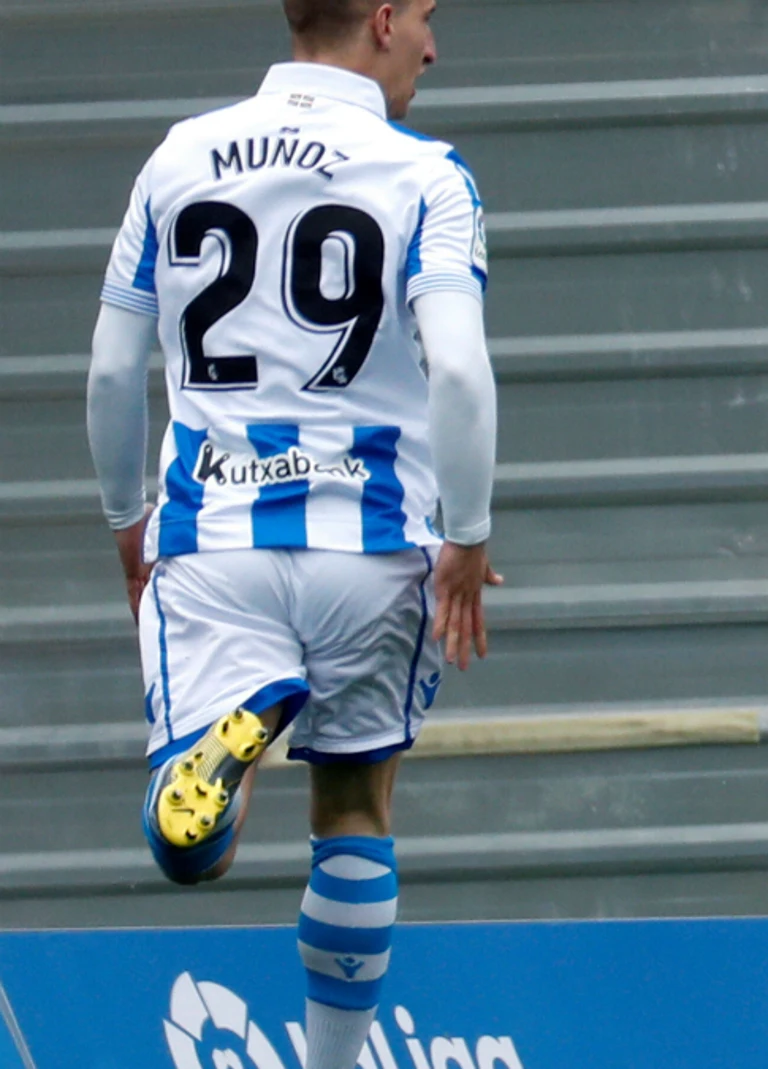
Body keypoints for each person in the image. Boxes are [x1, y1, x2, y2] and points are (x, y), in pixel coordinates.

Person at [85, 2, 497, 1067]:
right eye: (427, 19)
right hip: (369, 543)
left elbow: (109, 373)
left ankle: (232, 733)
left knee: (194, 854)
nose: (433, 48)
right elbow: (455, 368)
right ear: (382, 18)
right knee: (356, 803)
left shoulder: (177, 159)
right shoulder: (428, 175)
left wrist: (128, 522)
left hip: (213, 530)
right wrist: (466, 532)